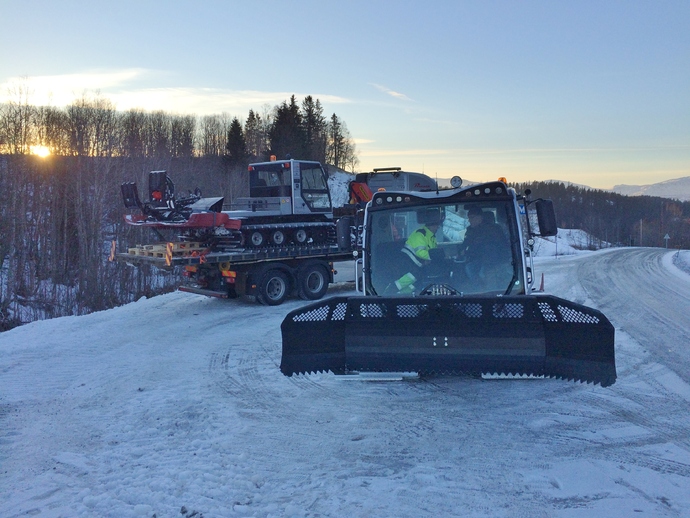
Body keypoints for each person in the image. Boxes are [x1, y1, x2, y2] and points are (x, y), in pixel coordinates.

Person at [393, 208, 444, 293]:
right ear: (431, 225)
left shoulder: (431, 236)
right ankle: (392, 291)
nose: (438, 227)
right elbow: (420, 253)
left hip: (416, 265)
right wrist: (433, 258)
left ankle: (402, 295)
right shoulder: (420, 234)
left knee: (416, 284)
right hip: (406, 264)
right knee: (410, 279)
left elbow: (433, 251)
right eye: (436, 225)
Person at [459, 206, 512, 289]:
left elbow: (485, 248)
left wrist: (467, 252)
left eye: (472, 217)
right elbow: (466, 244)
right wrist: (462, 250)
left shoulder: (492, 230)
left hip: (493, 260)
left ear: (480, 217)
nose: (469, 220)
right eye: (468, 218)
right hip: (479, 259)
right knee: (467, 268)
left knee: (476, 271)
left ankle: (481, 290)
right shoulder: (471, 230)